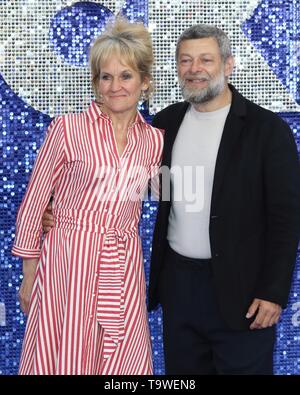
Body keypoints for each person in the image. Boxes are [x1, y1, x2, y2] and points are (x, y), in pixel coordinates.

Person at [12, 17, 164, 375]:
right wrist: (29, 274)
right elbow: (35, 202)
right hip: (68, 260)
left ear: (144, 82)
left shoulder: (154, 141)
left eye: (125, 76)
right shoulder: (67, 128)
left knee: (123, 362)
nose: (114, 87)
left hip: (122, 264)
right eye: (105, 77)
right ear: (95, 82)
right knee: (62, 356)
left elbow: (149, 198)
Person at [147, 24, 300, 374]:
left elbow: (286, 218)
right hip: (179, 286)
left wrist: (273, 291)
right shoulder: (164, 123)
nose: (194, 68)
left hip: (244, 291)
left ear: (228, 65)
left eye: (205, 59)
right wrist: (58, 209)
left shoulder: (268, 130)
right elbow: (133, 183)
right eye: (185, 60)